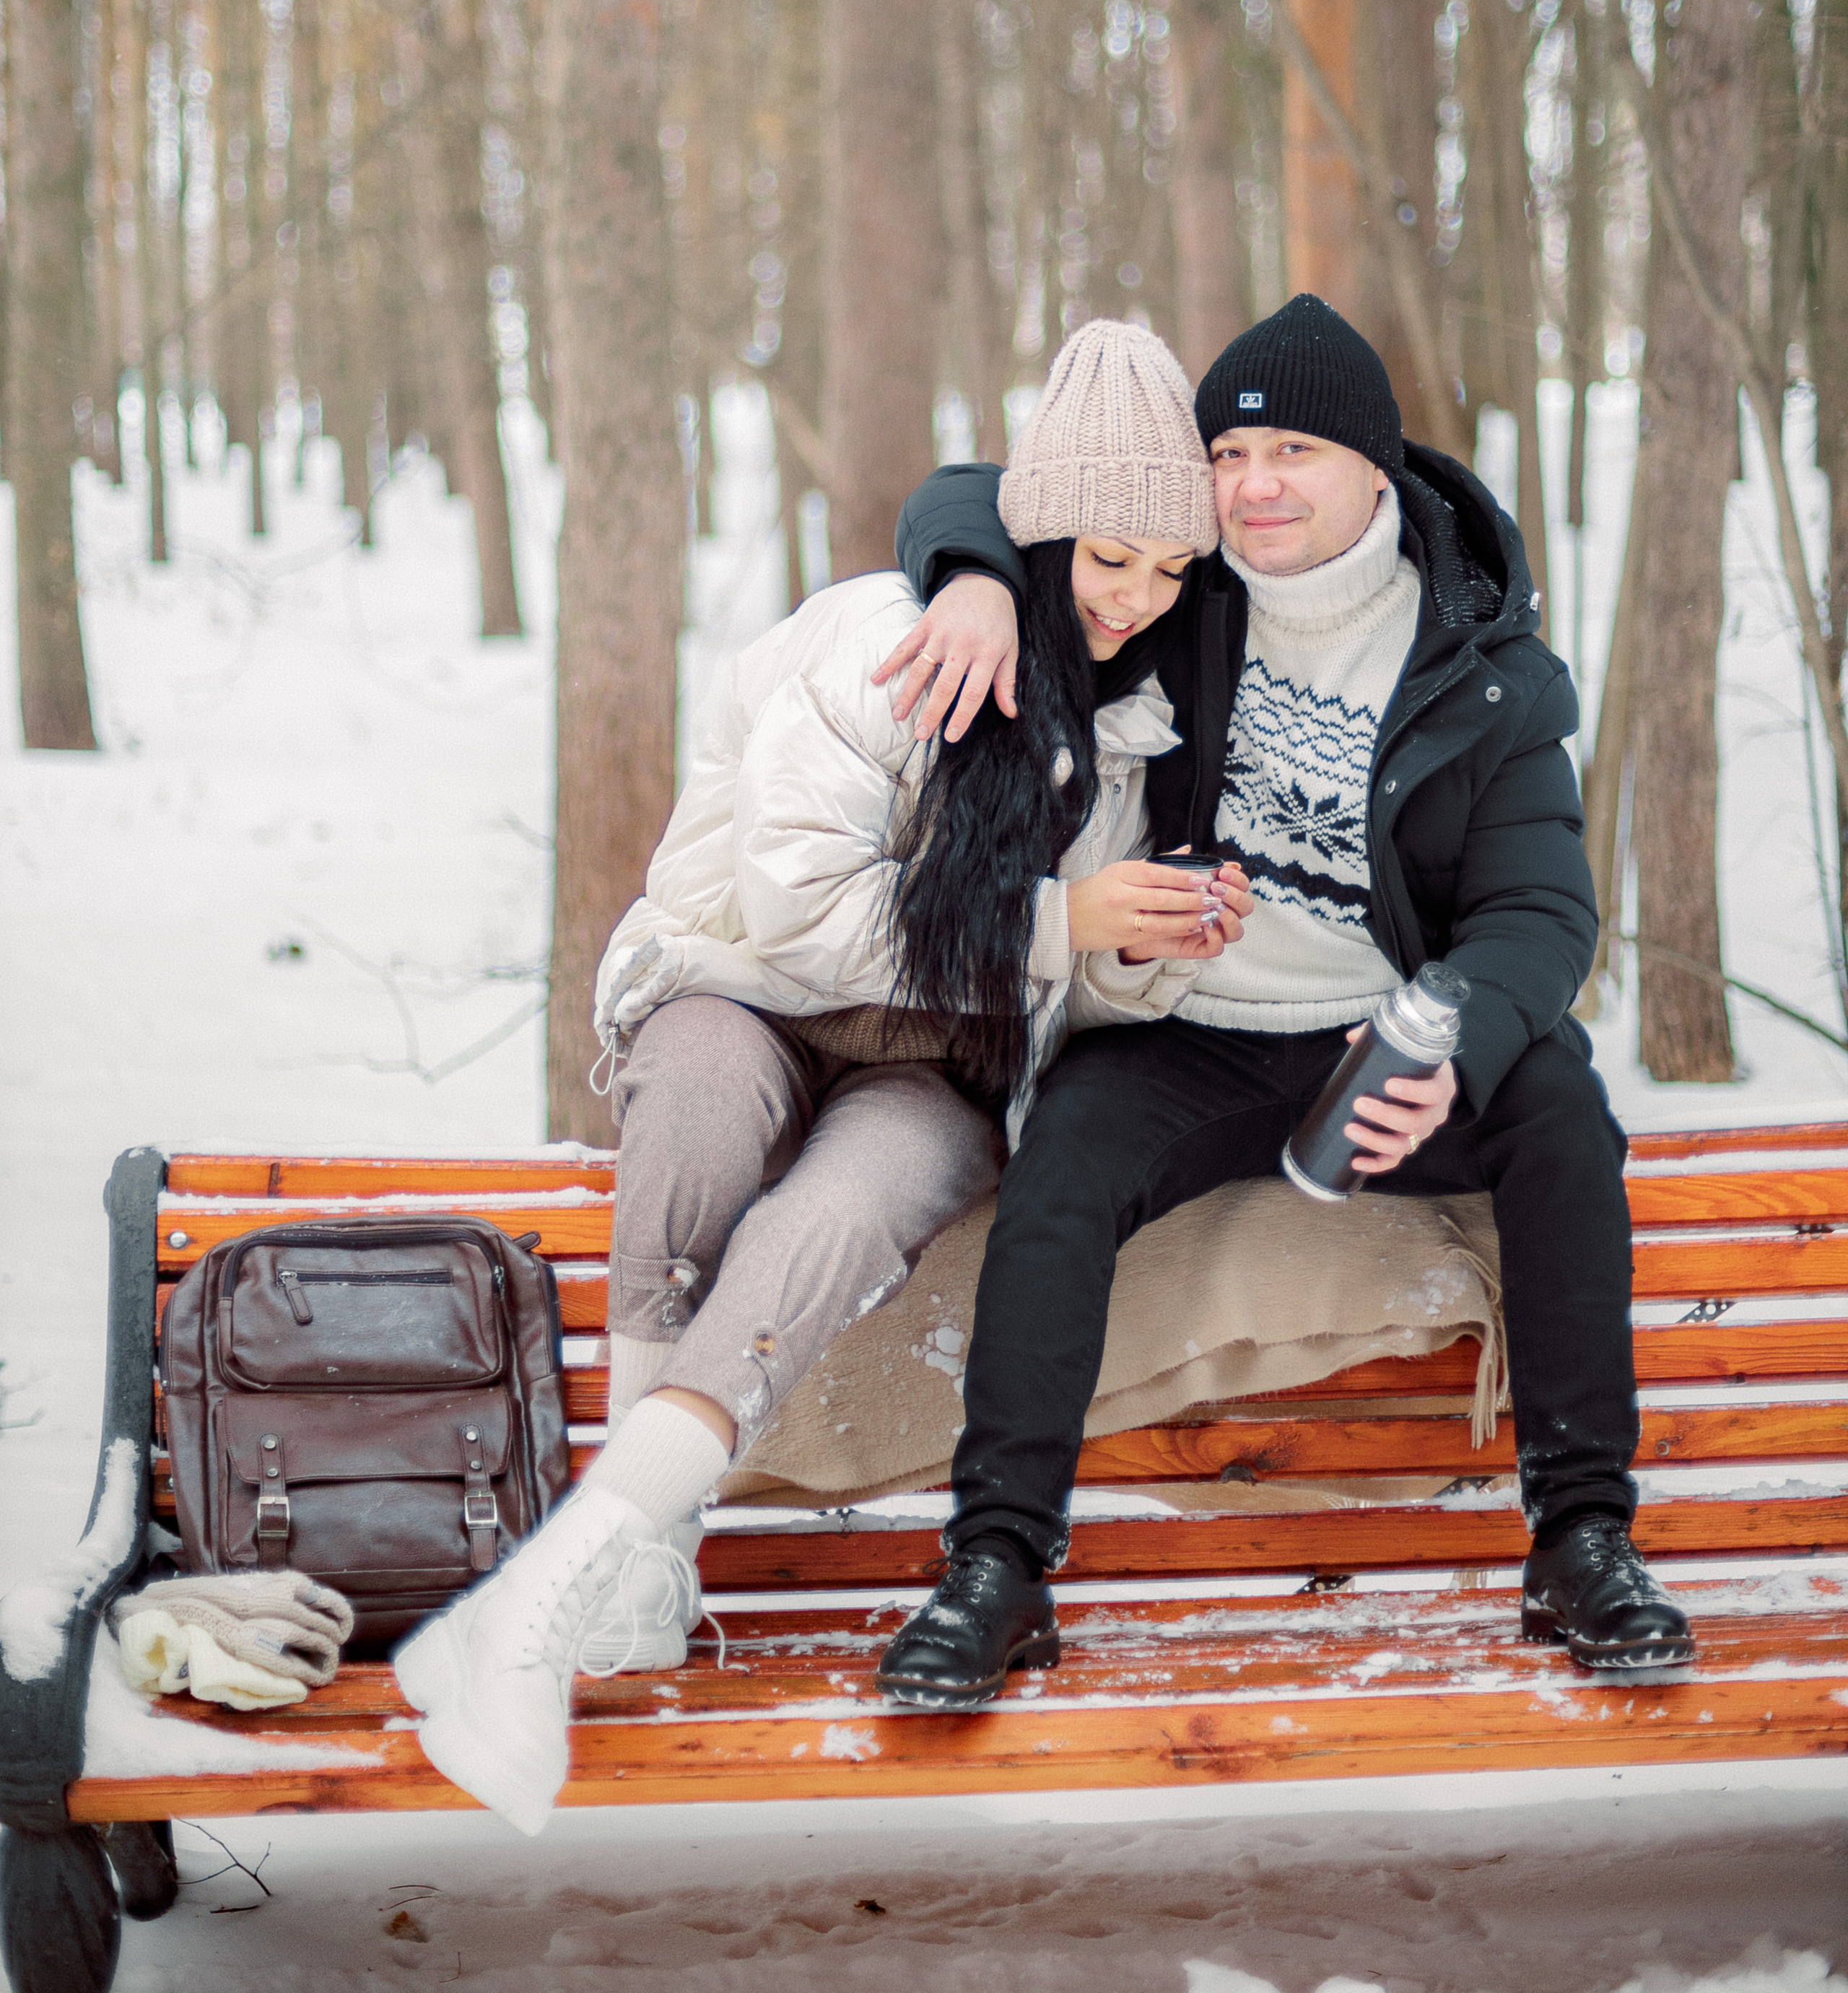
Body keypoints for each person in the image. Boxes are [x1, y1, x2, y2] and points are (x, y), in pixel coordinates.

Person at [393, 318, 1249, 1832]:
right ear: (1038, 528)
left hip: (938, 1061)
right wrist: (1058, 922)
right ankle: (638, 1560)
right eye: (1110, 556)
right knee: (704, 1139)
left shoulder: (1138, 728)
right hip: (741, 988)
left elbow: (1093, 1000)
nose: (1134, 600)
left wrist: (1149, 944)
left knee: (830, 1227)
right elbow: (798, 910)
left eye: (1170, 571)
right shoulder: (887, 646)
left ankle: (548, 1592)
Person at [871, 292, 1694, 1711]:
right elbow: (982, 490)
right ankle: (995, 1564)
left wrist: (1460, 1037)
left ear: (1375, 467)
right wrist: (975, 576)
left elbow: (1538, 913)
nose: (1252, 491)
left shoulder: (1483, 668)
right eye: (1228, 460)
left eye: (1293, 456)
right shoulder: (1184, 589)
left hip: (1386, 1036)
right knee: (1061, 1156)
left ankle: (1578, 1538)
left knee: (1559, 1107)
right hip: (1187, 1027)